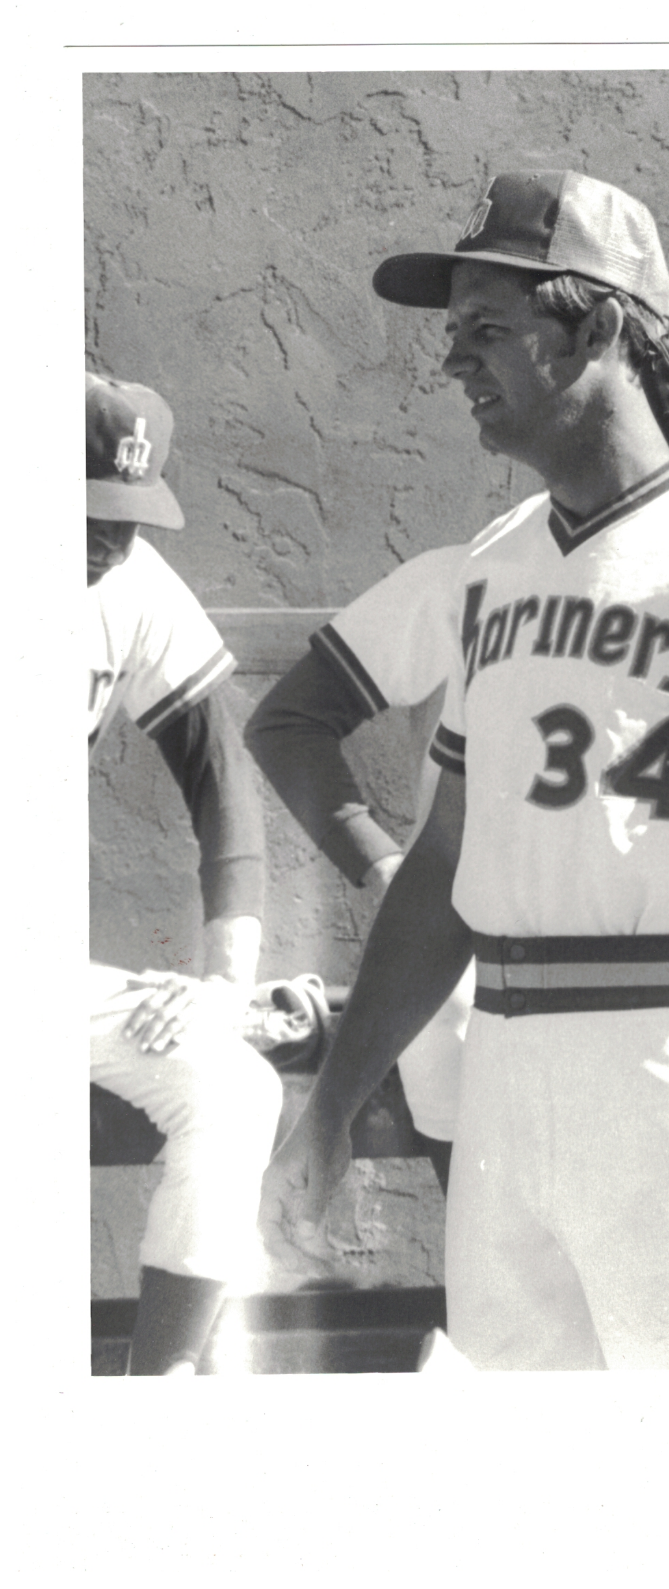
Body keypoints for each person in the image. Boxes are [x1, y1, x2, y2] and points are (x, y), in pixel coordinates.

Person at [259, 170, 669, 1369]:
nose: (454, 363)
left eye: (488, 330)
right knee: (525, 1494)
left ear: (597, 325)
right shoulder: (496, 560)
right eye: (452, 335)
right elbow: (450, 858)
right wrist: (335, 1102)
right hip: (507, 1068)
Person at [87, 371, 283, 1374]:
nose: (106, 538)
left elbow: (225, 792)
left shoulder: (132, 585)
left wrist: (221, 989)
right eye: (83, 510)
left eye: (125, 514)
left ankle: (146, 1401)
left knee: (233, 1087)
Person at [244, 544, 471, 1196]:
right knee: (507, 1287)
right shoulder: (469, 572)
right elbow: (287, 723)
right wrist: (385, 866)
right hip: (468, 977)